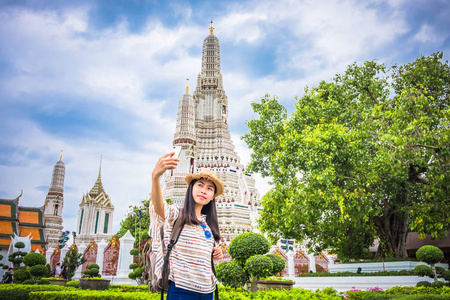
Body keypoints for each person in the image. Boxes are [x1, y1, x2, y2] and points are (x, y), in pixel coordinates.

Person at [151, 152, 224, 300]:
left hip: (208, 291)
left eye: (210, 189)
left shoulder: (208, 226)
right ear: (191, 189)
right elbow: (159, 207)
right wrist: (155, 177)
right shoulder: (176, 215)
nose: (204, 190)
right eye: (200, 185)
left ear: (212, 197)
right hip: (182, 289)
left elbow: (206, 257)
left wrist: (216, 254)